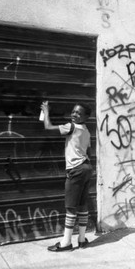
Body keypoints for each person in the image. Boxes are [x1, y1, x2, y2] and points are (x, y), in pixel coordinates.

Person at [41, 101, 93, 251]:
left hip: (76, 169)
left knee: (71, 206)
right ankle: (82, 240)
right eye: (73, 112)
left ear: (86, 117)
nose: (74, 114)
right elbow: (89, 152)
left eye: (78, 113)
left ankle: (66, 243)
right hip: (86, 167)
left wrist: (45, 111)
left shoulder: (71, 126)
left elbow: (48, 128)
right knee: (82, 204)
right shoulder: (86, 130)